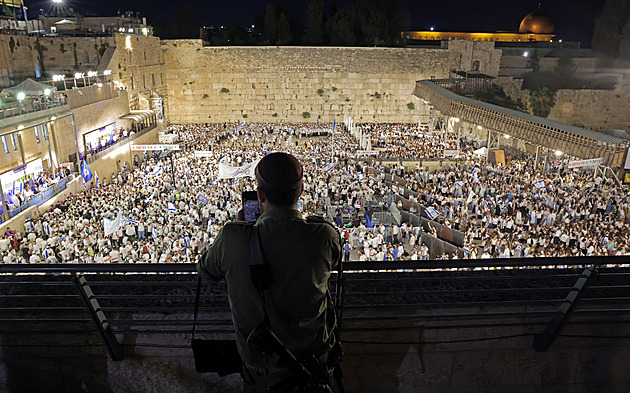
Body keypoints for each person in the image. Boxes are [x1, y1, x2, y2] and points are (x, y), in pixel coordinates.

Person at [197, 152, 342, 393]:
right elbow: (333, 260)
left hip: (262, 373)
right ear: (301, 190)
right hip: (316, 368)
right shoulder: (323, 235)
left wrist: (240, 231)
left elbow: (205, 270)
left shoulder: (233, 238)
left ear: (260, 194)